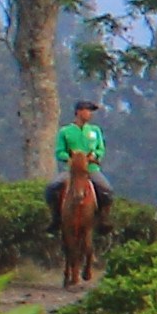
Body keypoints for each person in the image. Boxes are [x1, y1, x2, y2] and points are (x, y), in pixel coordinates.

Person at [51, 96, 110, 288]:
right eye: (87, 110)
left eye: (91, 111)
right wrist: (68, 158)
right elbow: (59, 151)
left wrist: (95, 156)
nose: (89, 114)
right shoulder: (66, 132)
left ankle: (102, 218)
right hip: (72, 172)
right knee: (51, 188)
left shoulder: (95, 131)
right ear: (78, 111)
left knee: (107, 190)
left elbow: (101, 149)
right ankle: (55, 218)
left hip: (90, 171)